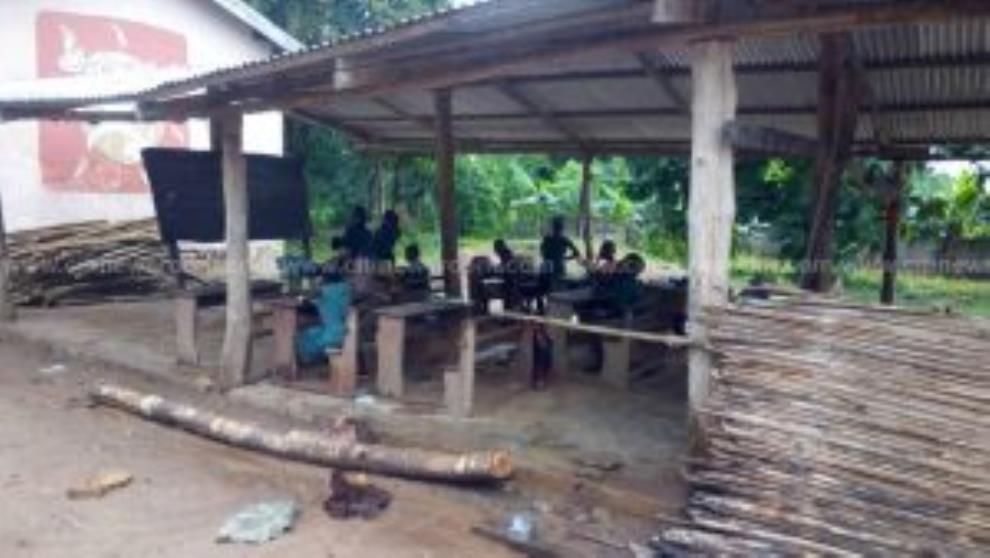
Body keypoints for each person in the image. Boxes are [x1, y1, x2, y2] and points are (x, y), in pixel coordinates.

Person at [296, 268, 352, 365]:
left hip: (330, 337)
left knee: (301, 336)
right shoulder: (346, 290)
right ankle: (329, 362)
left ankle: (309, 362)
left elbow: (305, 300)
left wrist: (302, 297)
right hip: (343, 330)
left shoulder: (323, 292)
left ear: (322, 280)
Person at [540, 216, 581, 289]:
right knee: (559, 287)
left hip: (547, 266)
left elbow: (542, 253)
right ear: (562, 229)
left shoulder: (547, 239)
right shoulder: (564, 239)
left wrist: (548, 257)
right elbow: (577, 253)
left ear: (553, 227)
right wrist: (565, 258)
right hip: (559, 266)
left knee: (548, 287)